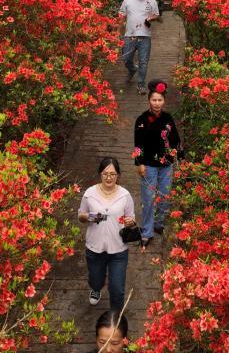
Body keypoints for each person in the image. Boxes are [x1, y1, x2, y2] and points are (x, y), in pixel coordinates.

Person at [78, 157, 136, 311]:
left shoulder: (125, 195)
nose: (109, 178)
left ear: (118, 175)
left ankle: (116, 319)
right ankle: (96, 289)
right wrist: (94, 217)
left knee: (117, 289)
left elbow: (131, 217)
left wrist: (130, 221)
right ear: (100, 174)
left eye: (113, 174)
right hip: (94, 248)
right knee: (96, 279)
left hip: (118, 249)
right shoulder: (89, 194)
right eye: (105, 174)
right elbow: (80, 215)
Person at [133, 79, 181, 249]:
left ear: (164, 101)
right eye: (154, 100)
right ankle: (146, 231)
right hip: (149, 164)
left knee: (164, 195)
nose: (157, 103)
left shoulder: (168, 118)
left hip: (167, 163)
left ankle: (159, 223)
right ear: (149, 100)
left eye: (160, 100)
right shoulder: (142, 120)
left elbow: (175, 138)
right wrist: (139, 163)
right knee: (148, 198)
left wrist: (178, 154)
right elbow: (138, 143)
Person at [118, 0, 160, 95]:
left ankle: (141, 84)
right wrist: (118, 29)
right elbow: (122, 14)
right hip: (130, 35)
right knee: (126, 58)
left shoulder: (151, 1)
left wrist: (151, 18)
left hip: (145, 35)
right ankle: (132, 69)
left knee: (144, 62)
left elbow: (157, 15)